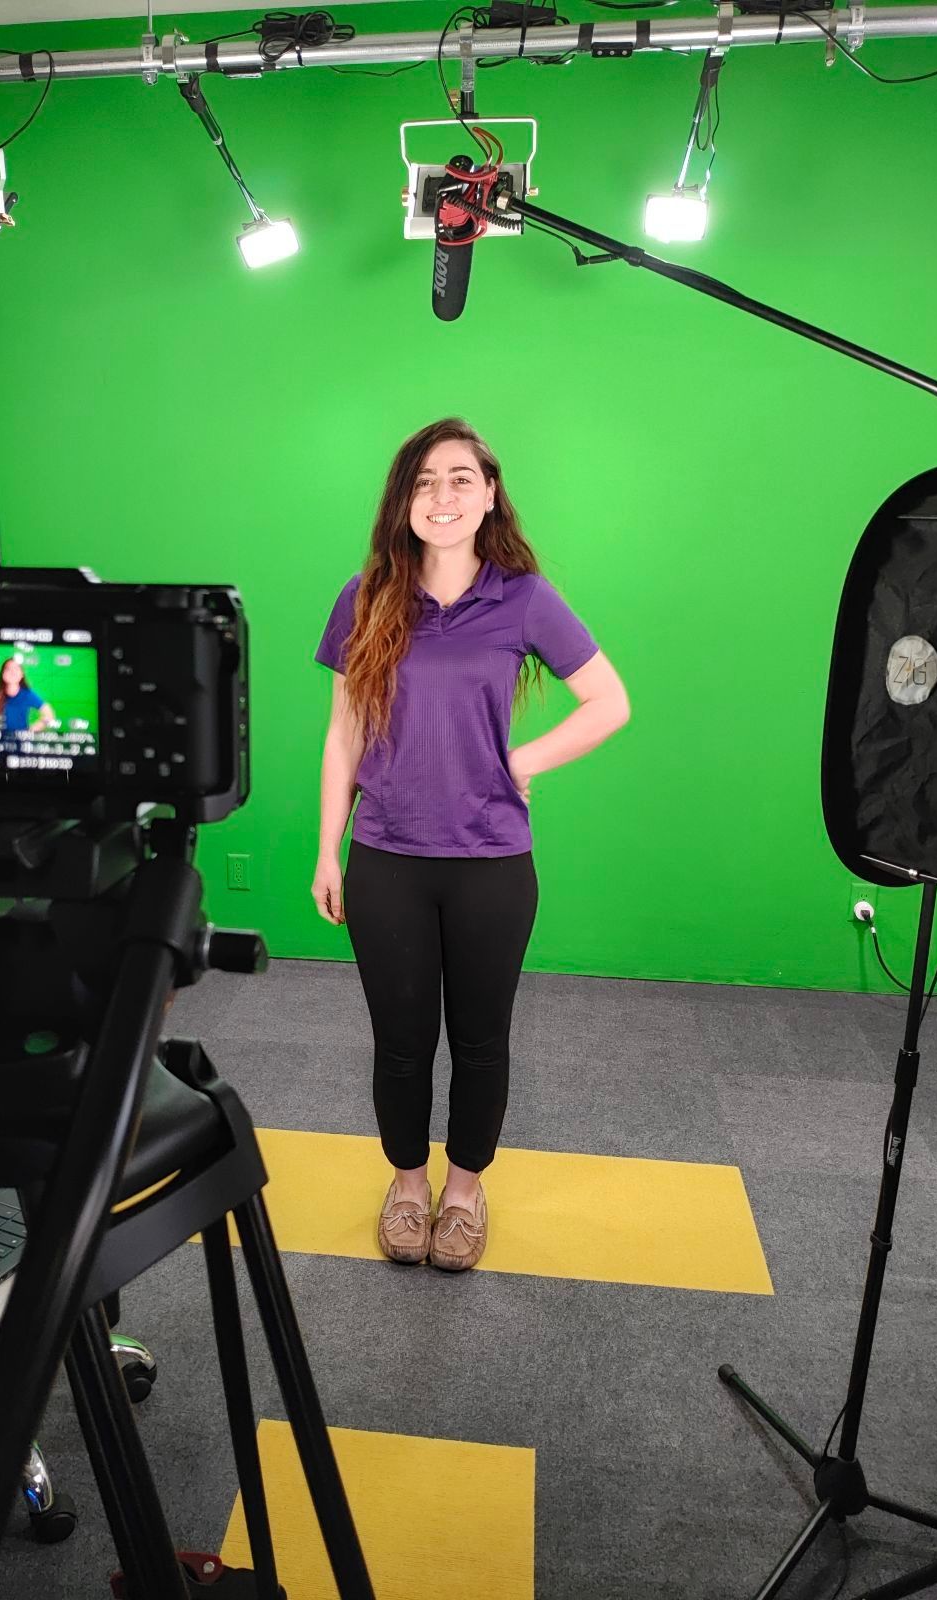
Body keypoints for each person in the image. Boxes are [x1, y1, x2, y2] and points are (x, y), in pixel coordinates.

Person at [312, 418, 630, 1273]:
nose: (441, 496)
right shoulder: (366, 596)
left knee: (482, 1039)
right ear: (403, 502)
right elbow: (343, 736)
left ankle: (463, 1192)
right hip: (387, 859)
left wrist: (523, 758)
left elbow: (609, 701)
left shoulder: (522, 597)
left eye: (459, 479)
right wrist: (327, 851)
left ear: (489, 493)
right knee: (402, 1039)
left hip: (491, 862)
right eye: (423, 482)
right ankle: (409, 1186)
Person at [0, 657, 55, 754]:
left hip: (22, 747)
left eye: (16, 668)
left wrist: (31, 730)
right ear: (2, 674)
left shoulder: (28, 694)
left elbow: (49, 714)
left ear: (22, 674)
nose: (12, 672)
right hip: (0, 746)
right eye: (8, 669)